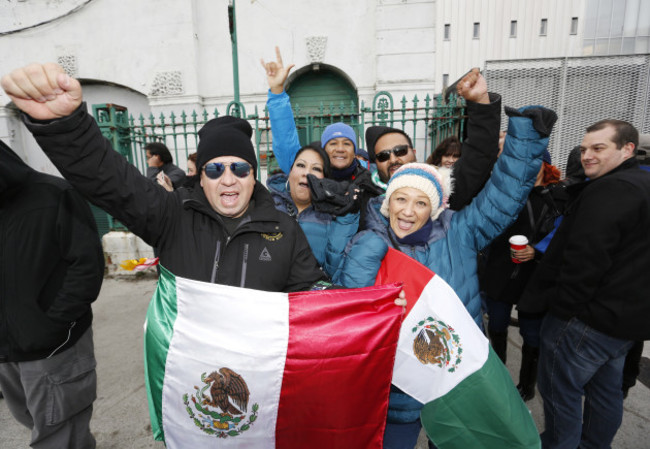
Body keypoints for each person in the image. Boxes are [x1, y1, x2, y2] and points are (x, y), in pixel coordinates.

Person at [334, 104, 557, 448]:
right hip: (398, 387)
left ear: (435, 208)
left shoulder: (459, 230)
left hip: (457, 380)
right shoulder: (369, 243)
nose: (408, 211)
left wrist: (525, 136)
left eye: (421, 203)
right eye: (401, 199)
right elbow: (349, 305)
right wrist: (370, 251)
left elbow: (504, 195)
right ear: (387, 203)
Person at [1, 62, 328, 293]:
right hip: (189, 381)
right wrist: (65, 126)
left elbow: (308, 303)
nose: (228, 179)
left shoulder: (284, 230)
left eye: (239, 168)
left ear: (253, 176)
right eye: (215, 169)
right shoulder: (172, 215)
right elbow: (111, 181)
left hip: (258, 380)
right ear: (201, 178)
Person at [522, 119, 650, 448]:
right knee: (604, 394)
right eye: (583, 149)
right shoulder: (639, 184)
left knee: (560, 395)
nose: (586, 156)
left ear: (627, 149)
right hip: (622, 325)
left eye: (598, 148)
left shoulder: (611, 189)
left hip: (585, 322)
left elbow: (585, 261)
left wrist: (563, 314)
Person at [0, 140, 105, 448]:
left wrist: (52, 325)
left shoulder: (55, 194)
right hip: (7, 352)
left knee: (58, 435)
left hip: (54, 347)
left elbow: (87, 267)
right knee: (37, 422)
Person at [480, 149, 566, 401]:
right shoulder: (504, 195)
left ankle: (527, 386)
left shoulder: (560, 197)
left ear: (546, 166)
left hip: (536, 278)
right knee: (496, 326)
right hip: (500, 272)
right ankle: (497, 378)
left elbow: (565, 237)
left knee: (531, 335)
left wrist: (537, 250)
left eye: (535, 162)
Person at [364, 68, 502, 212]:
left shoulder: (441, 188)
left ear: (414, 152)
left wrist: (480, 102)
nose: (393, 159)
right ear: (376, 162)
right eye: (383, 156)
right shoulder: (364, 197)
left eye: (400, 151)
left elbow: (479, 156)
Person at [266, 143, 359, 277]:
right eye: (301, 165)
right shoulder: (266, 204)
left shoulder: (333, 217)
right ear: (290, 172)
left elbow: (334, 270)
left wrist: (348, 213)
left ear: (325, 181)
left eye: (316, 169)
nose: (306, 173)